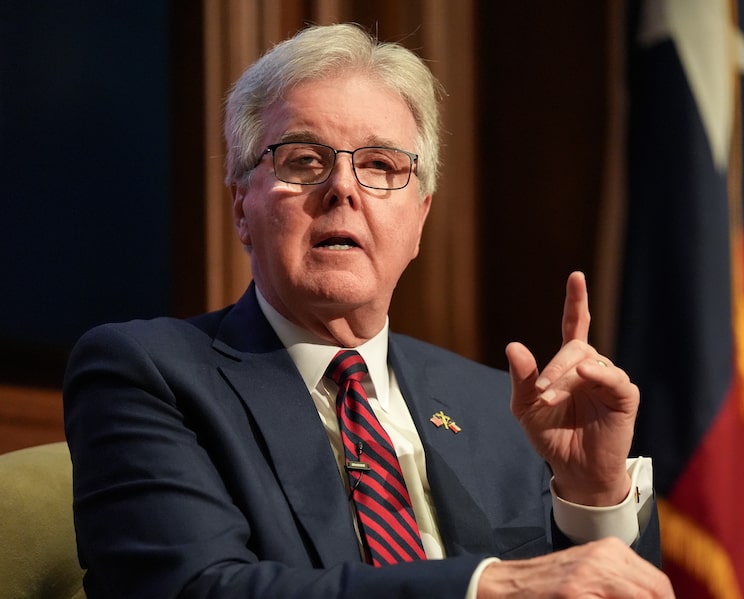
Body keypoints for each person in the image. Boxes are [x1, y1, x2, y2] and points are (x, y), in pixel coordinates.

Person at [64, 23, 673, 598]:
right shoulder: (148, 375)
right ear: (241, 209)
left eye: (381, 165)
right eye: (303, 159)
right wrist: (485, 588)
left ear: (420, 221)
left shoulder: (503, 411)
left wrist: (592, 497)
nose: (344, 187)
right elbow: (194, 590)